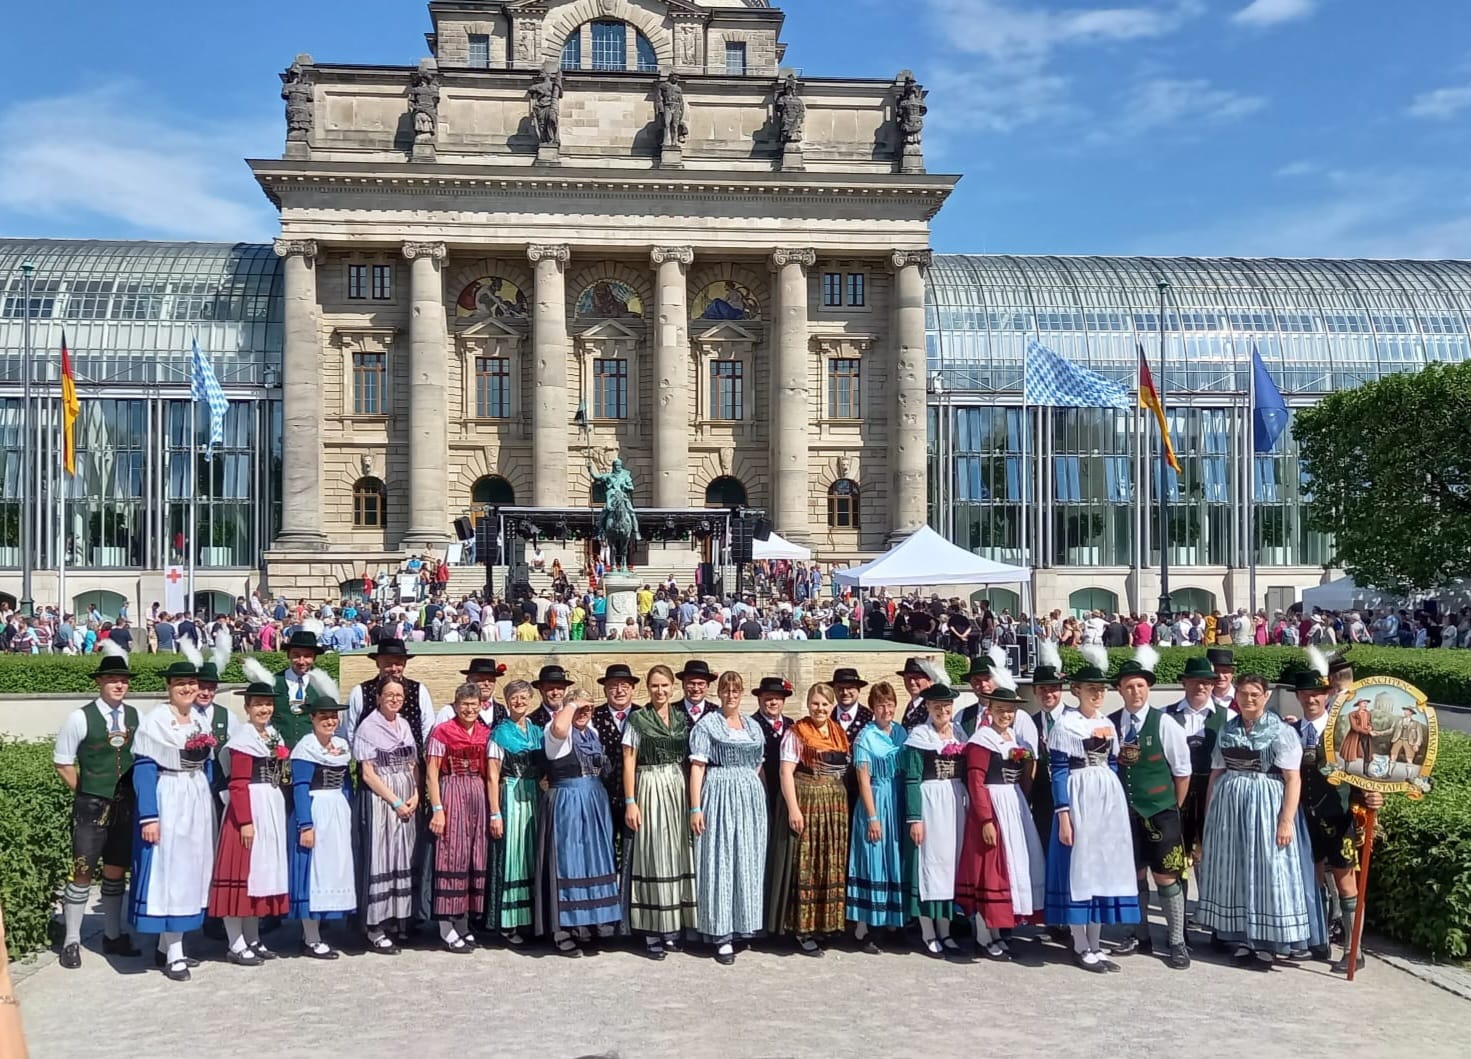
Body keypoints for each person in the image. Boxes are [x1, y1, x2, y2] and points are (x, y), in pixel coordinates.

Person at [1196, 674, 1311, 968]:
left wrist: (1286, 821)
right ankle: (1242, 938)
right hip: (1229, 805)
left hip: (1266, 803)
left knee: (1266, 867)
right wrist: (1209, 813)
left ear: (1266, 696)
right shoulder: (1227, 728)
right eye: (1244, 694)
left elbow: (1293, 778)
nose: (1248, 700)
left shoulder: (1281, 731)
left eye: (1255, 694)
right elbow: (1216, 773)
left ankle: (1267, 942)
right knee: (1234, 867)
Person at [1043, 646, 1140, 973]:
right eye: (1090, 689)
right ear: (1077, 691)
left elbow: (1112, 764)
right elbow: (1058, 770)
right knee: (1079, 868)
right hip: (1079, 794)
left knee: (1103, 867)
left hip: (1105, 801)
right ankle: (1080, 942)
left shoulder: (1108, 725)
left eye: (1101, 689)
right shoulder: (1066, 726)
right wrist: (1064, 814)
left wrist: (1116, 808)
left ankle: (1097, 943)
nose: (1097, 694)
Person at [52, 650, 143, 968]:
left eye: (123, 680)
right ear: (100, 682)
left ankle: (113, 934)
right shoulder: (80, 717)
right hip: (91, 804)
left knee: (116, 869)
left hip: (125, 805)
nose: (119, 684)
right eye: (112, 679)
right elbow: (62, 762)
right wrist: (88, 791)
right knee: (82, 870)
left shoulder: (134, 716)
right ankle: (72, 941)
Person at [1285, 660, 1378, 973]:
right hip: (1303, 819)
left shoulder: (1342, 733)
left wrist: (1372, 796)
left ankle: (1354, 950)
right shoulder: (1291, 731)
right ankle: (1317, 939)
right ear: (1297, 696)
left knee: (1345, 882)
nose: (1311, 699)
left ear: (1327, 695)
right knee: (1311, 880)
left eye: (1317, 693)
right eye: (1305, 693)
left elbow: (1368, 774)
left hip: (1337, 818)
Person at [128, 661, 216, 981]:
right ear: (169, 686)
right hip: (169, 793)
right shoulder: (156, 721)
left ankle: (169, 947)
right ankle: (175, 952)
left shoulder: (199, 718)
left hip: (195, 794)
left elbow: (207, 765)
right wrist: (149, 816)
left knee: (192, 869)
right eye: (181, 683)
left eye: (192, 682)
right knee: (172, 871)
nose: (188, 688)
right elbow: (144, 769)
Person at [1108, 650, 1193, 969]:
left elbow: (1182, 772)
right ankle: (1139, 935)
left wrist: (1173, 807)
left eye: (1141, 686)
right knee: (1133, 874)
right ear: (1120, 690)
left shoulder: (1165, 724)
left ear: (1148, 689)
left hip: (1161, 811)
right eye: (1129, 687)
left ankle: (1176, 941)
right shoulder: (1111, 723)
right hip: (1125, 813)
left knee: (1166, 876)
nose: (1136, 692)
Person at [958, 681, 1045, 960]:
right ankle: (984, 935)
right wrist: (985, 819)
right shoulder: (981, 742)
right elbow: (976, 782)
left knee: (1012, 868)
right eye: (1001, 710)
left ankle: (998, 932)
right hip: (993, 807)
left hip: (1013, 803)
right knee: (990, 870)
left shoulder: (1013, 740)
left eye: (1010, 711)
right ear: (990, 710)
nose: (1006, 715)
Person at [207, 680, 291, 966]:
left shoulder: (271, 735)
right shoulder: (243, 740)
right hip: (250, 809)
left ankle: (253, 937)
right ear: (247, 708)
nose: (264, 709)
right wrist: (244, 821)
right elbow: (239, 783)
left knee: (261, 874)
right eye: (257, 704)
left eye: (267, 704)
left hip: (270, 805)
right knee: (242, 875)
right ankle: (235, 941)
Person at [689, 672, 770, 965]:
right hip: (720, 792)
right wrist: (695, 807)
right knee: (720, 858)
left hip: (749, 797)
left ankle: (742, 924)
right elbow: (698, 768)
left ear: (742, 693)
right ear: (719, 693)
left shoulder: (753, 726)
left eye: (736, 690)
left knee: (746, 859)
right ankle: (720, 932)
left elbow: (759, 767)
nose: (731, 695)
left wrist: (762, 801)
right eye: (726, 690)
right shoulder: (707, 725)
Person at [536, 686, 621, 955]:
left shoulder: (592, 734)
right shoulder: (557, 733)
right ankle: (563, 929)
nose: (583, 712)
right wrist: (571, 704)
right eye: (578, 708)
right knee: (568, 861)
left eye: (588, 708)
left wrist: (580, 706)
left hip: (594, 800)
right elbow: (560, 729)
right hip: (568, 801)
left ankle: (587, 924)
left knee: (592, 861)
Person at [769, 682, 851, 956]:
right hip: (808, 802)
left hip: (834, 807)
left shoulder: (839, 733)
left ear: (832, 705)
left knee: (828, 862)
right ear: (808, 704)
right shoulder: (797, 733)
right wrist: (793, 809)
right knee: (807, 862)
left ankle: (823, 924)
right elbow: (785, 773)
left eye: (825, 704)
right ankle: (802, 929)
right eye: (816, 703)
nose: (820, 708)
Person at [621, 664, 695, 959]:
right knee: (653, 853)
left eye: (665, 686)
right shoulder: (638, 719)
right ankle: (652, 929)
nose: (660, 691)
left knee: (676, 851)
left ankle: (671, 927)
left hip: (676, 783)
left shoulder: (680, 717)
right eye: (654, 686)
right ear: (648, 689)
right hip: (649, 783)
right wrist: (630, 801)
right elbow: (629, 760)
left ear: (672, 687)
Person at [352, 676, 421, 954]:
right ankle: (375, 926)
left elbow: (413, 763)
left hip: (407, 795)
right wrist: (395, 801)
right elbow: (367, 773)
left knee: (402, 856)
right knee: (382, 857)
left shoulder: (404, 725)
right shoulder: (368, 728)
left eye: (399, 695)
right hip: (383, 800)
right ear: (378, 697)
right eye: (389, 694)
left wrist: (415, 793)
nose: (395, 699)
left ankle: (397, 919)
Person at [900, 683, 968, 957]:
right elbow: (913, 778)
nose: (943, 711)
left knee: (951, 864)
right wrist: (915, 818)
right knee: (929, 863)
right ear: (927, 707)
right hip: (930, 801)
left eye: (947, 706)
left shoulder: (960, 733)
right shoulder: (920, 736)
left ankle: (946, 929)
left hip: (954, 802)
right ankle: (928, 931)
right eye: (937, 706)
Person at [288, 684, 355, 960]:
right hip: (317, 809)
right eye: (323, 717)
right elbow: (300, 787)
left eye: (333, 716)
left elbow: (347, 783)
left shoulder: (340, 745)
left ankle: (319, 929)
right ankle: (311, 936)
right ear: (312, 719)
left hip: (337, 809)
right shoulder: (306, 748)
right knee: (314, 870)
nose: (329, 721)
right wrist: (305, 824)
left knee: (333, 868)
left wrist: (348, 810)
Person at [423, 683, 492, 953]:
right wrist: (437, 808)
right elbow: (432, 772)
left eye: (474, 704)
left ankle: (463, 922)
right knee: (452, 853)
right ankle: (445, 926)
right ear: (456, 704)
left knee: (475, 854)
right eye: (464, 704)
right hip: (451, 788)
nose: (469, 709)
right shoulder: (443, 732)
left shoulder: (485, 733)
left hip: (477, 791)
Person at [845, 680, 907, 953]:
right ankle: (864, 926)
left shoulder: (901, 733)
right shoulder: (865, 737)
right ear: (872, 707)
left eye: (890, 704)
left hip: (897, 799)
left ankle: (892, 920)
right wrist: (872, 816)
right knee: (872, 858)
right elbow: (863, 780)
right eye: (881, 705)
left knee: (894, 857)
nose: (887, 709)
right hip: (876, 799)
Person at [1165, 655, 1229, 912]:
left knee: (1211, 857)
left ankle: (1211, 915)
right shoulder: (1165, 716)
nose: (1200, 687)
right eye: (1194, 681)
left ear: (1213, 685)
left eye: (1206, 682)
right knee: (1176, 856)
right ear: (1184, 683)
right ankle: (1180, 926)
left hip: (1212, 794)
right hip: (1176, 793)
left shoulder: (1228, 717)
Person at [485, 680, 544, 947]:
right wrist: (495, 812)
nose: (519, 702)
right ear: (506, 701)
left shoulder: (538, 732)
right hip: (511, 793)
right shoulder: (500, 733)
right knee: (513, 855)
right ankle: (509, 922)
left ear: (530, 699)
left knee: (532, 855)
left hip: (534, 796)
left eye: (523, 697)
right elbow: (492, 775)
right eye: (513, 698)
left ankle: (530, 917)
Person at [344, 637, 434, 755]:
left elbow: (428, 729)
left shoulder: (419, 690)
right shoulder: (360, 692)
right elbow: (348, 732)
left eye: (398, 663)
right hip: (371, 766)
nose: (393, 669)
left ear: (405, 663)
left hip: (411, 766)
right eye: (388, 663)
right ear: (377, 663)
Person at [591, 663, 642, 852]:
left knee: (634, 851)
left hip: (637, 796)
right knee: (602, 849)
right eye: (613, 686)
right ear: (605, 690)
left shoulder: (643, 716)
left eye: (624, 686)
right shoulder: (593, 716)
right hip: (601, 795)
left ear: (632, 689)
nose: (619, 691)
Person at [271, 627, 329, 749]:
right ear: (288, 655)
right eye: (296, 655)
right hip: (278, 750)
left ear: (314, 658)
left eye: (307, 656)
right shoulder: (273, 682)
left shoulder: (322, 684)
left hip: (312, 751)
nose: (301, 661)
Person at [435, 658, 508, 728]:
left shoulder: (503, 710)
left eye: (490, 679)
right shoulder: (449, 712)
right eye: (480, 679)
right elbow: (437, 738)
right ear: (469, 680)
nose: (486, 683)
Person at [831, 667, 873, 741]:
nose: (845, 692)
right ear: (834, 690)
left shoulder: (870, 718)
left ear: (858, 689)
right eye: (840, 688)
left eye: (850, 688)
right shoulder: (827, 717)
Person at [897, 657, 936, 729]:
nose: (912, 682)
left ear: (929, 680)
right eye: (908, 678)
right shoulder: (910, 706)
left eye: (916, 678)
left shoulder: (932, 706)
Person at [675, 660, 717, 725]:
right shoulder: (672, 711)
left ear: (708, 685)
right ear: (683, 685)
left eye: (701, 684)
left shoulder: (716, 712)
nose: (696, 689)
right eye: (691, 683)